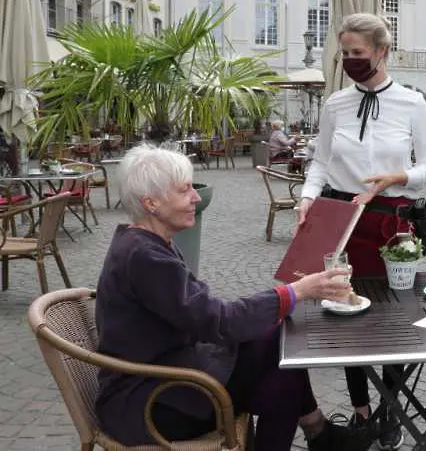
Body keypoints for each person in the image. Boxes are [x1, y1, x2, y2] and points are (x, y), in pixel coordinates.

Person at [94, 145, 356, 451]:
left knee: (281, 381)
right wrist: (297, 291)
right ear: (151, 203)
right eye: (185, 190)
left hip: (171, 376)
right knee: (275, 341)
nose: (195, 197)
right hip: (149, 400)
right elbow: (217, 320)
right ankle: (319, 431)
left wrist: (285, 299)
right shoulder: (144, 256)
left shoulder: (147, 242)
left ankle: (318, 431)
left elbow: (203, 314)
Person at [297, 12, 426, 450]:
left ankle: (390, 409)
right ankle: (362, 412)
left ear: (382, 51)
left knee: (401, 319)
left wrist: (398, 178)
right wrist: (307, 197)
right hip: (342, 219)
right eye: (345, 53)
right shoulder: (335, 103)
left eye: (357, 53)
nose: (349, 60)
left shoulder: (412, 103)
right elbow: (321, 161)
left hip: (392, 223)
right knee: (348, 321)